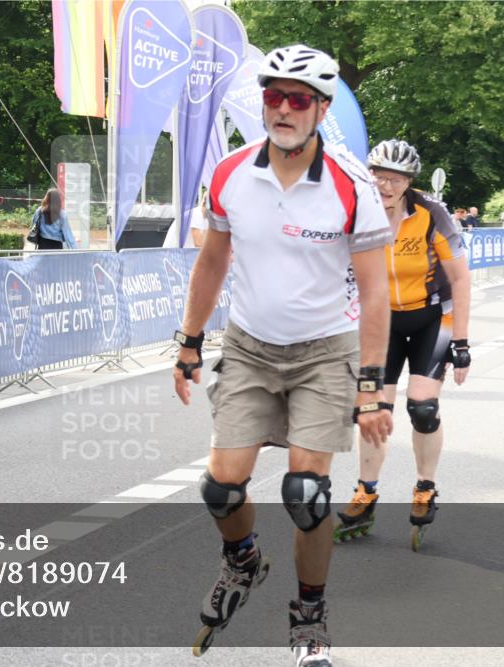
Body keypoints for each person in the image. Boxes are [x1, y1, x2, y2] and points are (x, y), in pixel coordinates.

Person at [174, 44, 393, 666]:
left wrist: (372, 386)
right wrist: (190, 340)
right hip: (249, 345)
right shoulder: (231, 173)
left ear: (321, 109)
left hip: (326, 351)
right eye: (274, 95)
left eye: (299, 99)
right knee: (221, 487)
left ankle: (310, 618)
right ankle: (243, 561)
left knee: (306, 492)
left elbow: (377, 290)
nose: (284, 109)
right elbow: (213, 260)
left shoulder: (353, 188)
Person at [335, 139, 471, 552]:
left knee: (423, 408)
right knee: (372, 409)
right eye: (379, 176)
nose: (386, 185)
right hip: (383, 322)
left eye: (395, 179)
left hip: (432, 317)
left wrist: (462, 342)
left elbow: (460, 278)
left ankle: (425, 487)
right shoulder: (356, 210)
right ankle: (366, 490)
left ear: (409, 182)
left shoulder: (432, 214)